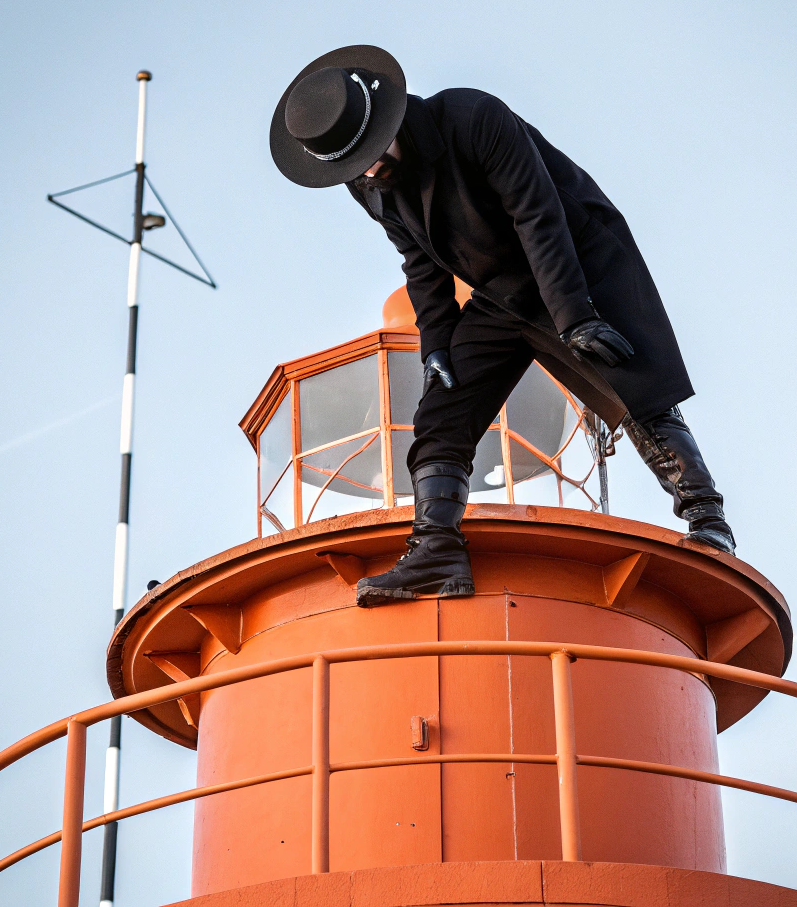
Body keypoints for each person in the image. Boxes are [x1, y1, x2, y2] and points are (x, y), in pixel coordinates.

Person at [270, 45, 735, 608]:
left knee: (633, 385)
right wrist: (436, 346)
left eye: (368, 154)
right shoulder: (368, 182)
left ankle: (709, 521)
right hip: (499, 294)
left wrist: (575, 316)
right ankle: (437, 549)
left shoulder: (473, 117)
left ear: (387, 119)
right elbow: (419, 261)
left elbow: (538, 213)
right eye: (351, 166)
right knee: (440, 412)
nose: (367, 172)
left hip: (576, 262)